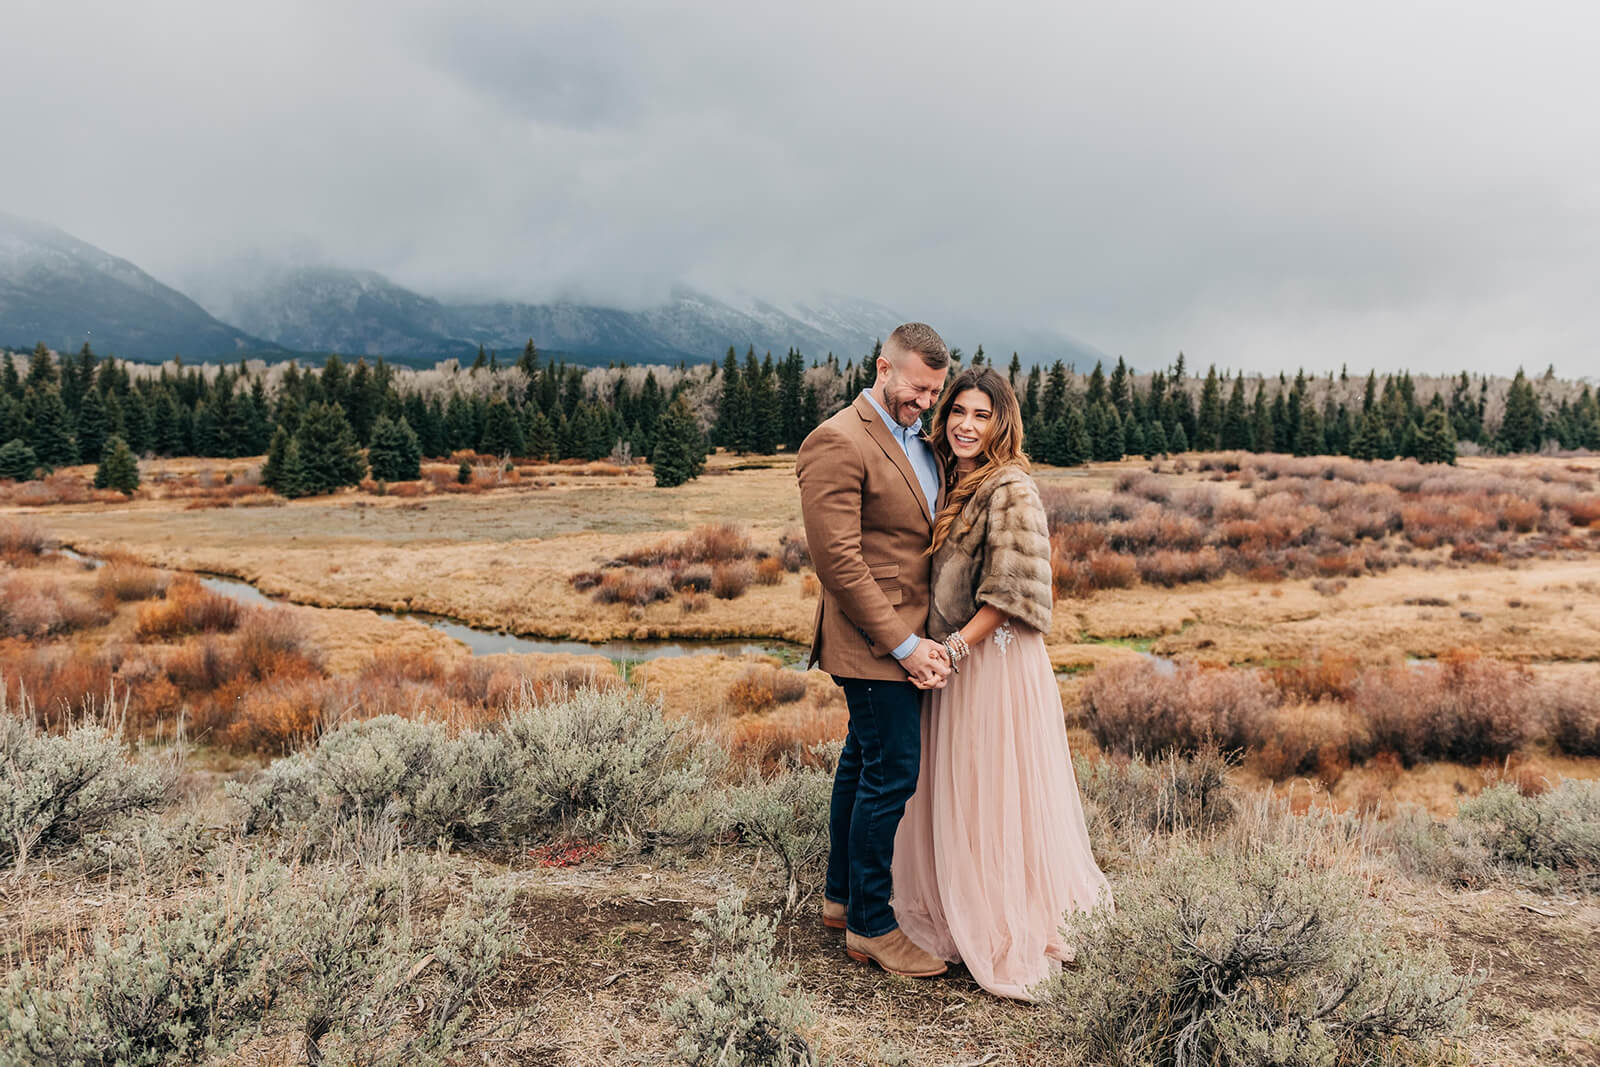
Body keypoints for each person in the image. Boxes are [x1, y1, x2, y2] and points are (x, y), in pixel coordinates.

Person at [890, 365, 1112, 1000]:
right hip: (949, 659)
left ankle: (998, 914)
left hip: (990, 661)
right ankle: (950, 900)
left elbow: (1014, 594)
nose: (966, 424)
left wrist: (954, 648)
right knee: (953, 782)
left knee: (991, 785)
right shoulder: (948, 475)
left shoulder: (1010, 488)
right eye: (958, 411)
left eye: (981, 415)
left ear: (1001, 422)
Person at [795, 322, 953, 978]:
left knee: (863, 763)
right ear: (883, 367)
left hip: (907, 637)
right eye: (917, 389)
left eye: (935, 393)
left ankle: (840, 898)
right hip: (873, 646)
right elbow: (839, 561)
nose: (925, 403)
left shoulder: (919, 438)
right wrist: (905, 644)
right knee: (893, 774)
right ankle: (872, 924)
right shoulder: (838, 439)